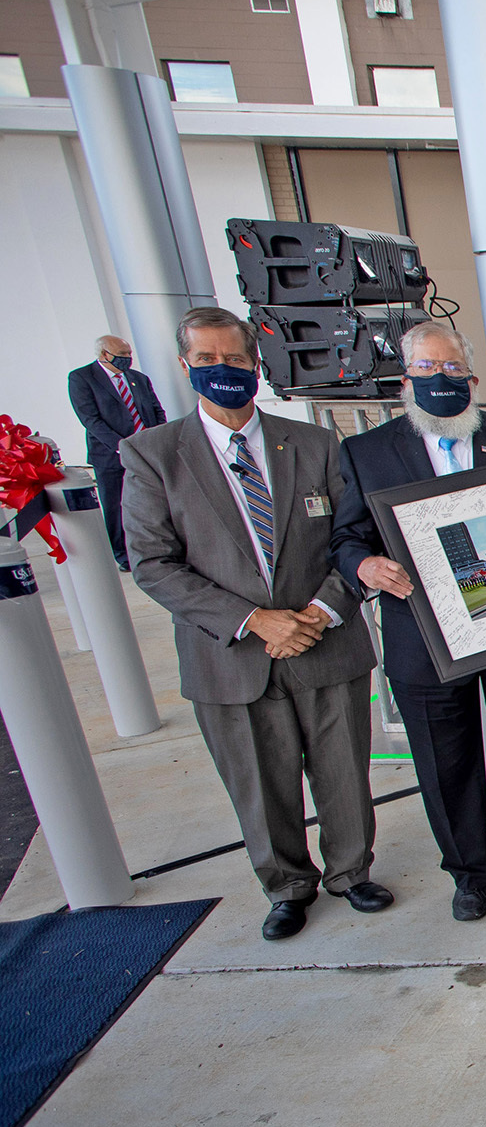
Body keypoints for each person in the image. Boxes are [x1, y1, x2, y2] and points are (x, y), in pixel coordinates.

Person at [121, 307, 386, 940]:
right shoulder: (154, 455)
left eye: (235, 359)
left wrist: (321, 610)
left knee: (344, 767)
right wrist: (254, 620)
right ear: (185, 368)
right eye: (206, 361)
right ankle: (288, 885)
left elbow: (352, 536)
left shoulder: (317, 444)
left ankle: (351, 872)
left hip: (325, 637)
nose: (223, 371)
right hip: (232, 653)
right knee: (259, 779)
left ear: (256, 364)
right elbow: (153, 564)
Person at [329, 322, 486, 922]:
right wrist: (363, 565)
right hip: (421, 636)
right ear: (404, 379)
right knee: (445, 763)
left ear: (472, 377)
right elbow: (344, 538)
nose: (439, 379)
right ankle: (470, 874)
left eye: (451, 369)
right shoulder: (367, 452)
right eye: (424, 369)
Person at [68, 334, 166, 570]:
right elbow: (90, 419)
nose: (127, 359)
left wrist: (158, 438)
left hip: (146, 451)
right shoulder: (82, 378)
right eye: (122, 355)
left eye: (129, 354)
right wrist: (122, 446)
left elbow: (156, 410)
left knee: (154, 501)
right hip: (111, 455)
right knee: (116, 505)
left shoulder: (138, 379)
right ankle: (123, 555)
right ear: (104, 355)